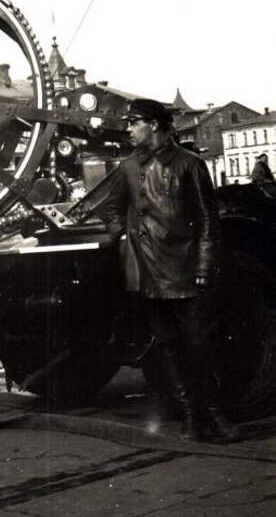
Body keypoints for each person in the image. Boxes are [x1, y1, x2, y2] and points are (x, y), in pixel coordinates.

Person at [100, 98, 240, 443]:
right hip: (148, 272)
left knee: (200, 346)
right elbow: (112, 208)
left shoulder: (190, 165)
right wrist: (124, 233)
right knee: (168, 347)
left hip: (187, 268)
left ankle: (214, 415)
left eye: (134, 122)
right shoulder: (129, 168)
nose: (128, 129)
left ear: (156, 125)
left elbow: (209, 220)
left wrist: (205, 266)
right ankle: (192, 418)